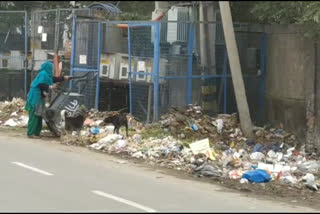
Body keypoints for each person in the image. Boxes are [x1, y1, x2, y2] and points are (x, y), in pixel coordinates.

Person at [25, 61, 72, 138]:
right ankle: (31, 133)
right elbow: (41, 84)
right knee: (34, 115)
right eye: (51, 68)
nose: (52, 69)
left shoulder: (46, 75)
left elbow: (53, 79)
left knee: (39, 115)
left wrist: (64, 78)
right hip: (35, 97)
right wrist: (50, 87)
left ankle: (36, 133)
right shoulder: (43, 74)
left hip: (39, 97)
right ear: (48, 68)